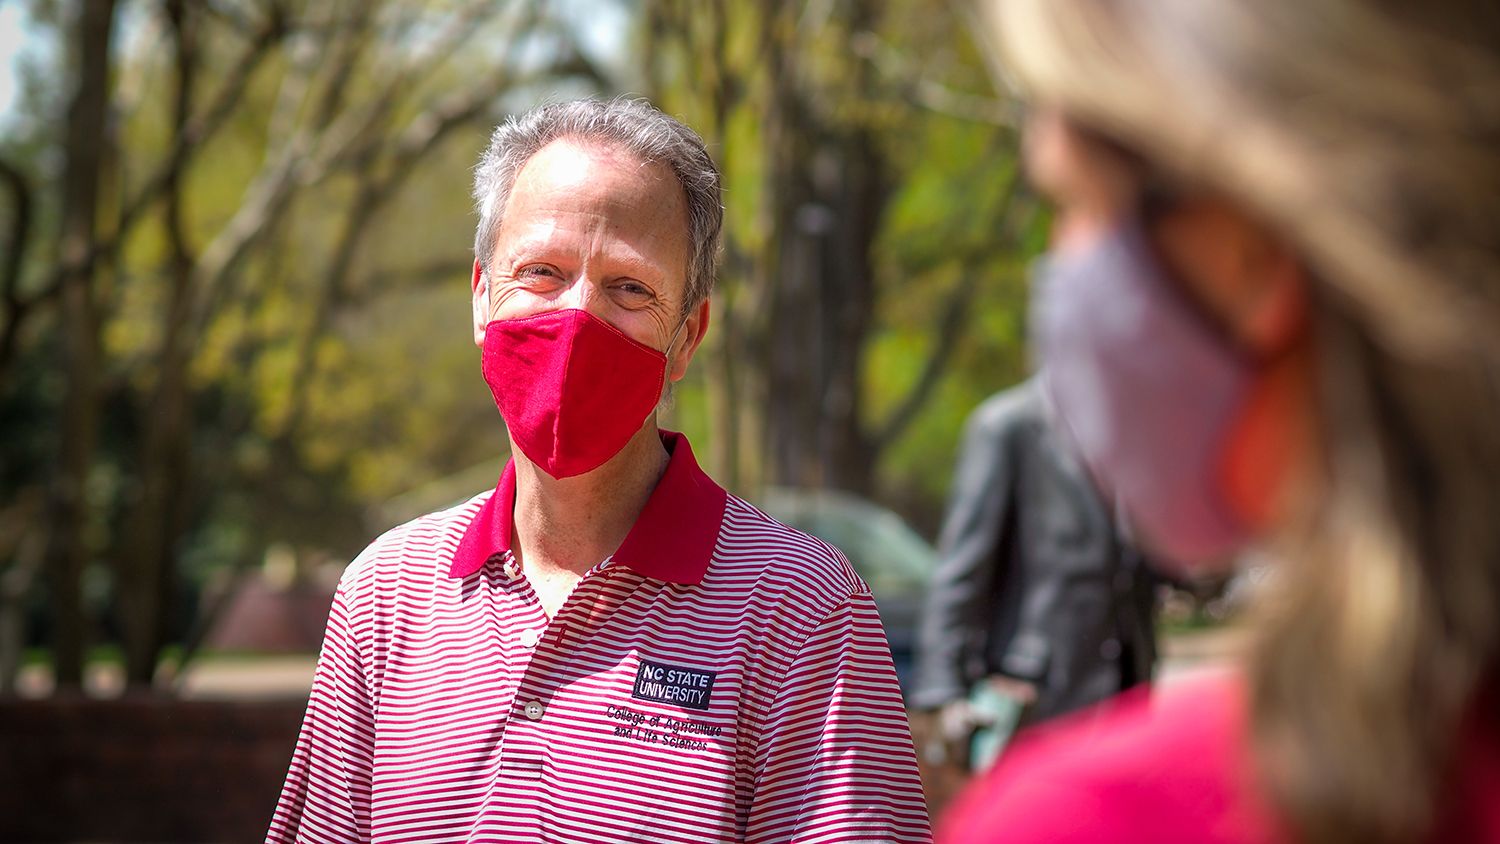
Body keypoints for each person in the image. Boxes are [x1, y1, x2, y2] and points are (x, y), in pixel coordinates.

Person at [267, 98, 931, 844]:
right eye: (542, 272)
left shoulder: (802, 611)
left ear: (687, 336)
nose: (580, 317)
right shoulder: (383, 598)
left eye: (631, 288)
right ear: (482, 296)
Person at [939, 2, 1500, 843]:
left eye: (1075, 202)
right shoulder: (1007, 429)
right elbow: (962, 576)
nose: (1059, 264)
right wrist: (953, 696)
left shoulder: (1093, 818)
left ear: (1248, 246)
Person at [911, 377, 1158, 772]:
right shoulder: (1006, 426)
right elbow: (961, 568)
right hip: (1035, 693)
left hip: (1125, 686)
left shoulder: (1127, 428)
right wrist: (943, 692)